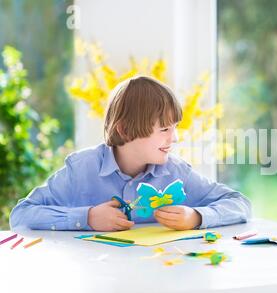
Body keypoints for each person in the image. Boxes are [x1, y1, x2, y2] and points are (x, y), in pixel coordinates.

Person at [10, 76, 251, 232]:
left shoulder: (175, 173)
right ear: (124, 130)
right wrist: (88, 217)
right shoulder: (82, 170)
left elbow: (240, 204)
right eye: (164, 129)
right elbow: (21, 215)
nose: (174, 138)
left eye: (175, 128)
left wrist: (197, 217)